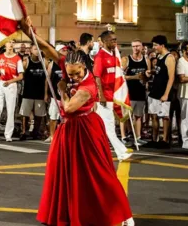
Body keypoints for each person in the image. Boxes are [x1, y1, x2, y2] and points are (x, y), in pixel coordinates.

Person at [18, 18, 134, 226]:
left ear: (84, 66)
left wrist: (62, 88)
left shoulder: (87, 87)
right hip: (69, 130)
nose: (73, 77)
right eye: (69, 74)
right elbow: (47, 49)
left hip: (87, 129)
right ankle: (67, 213)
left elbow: (69, 107)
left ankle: (122, 213)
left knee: (98, 173)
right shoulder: (68, 63)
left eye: (76, 73)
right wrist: (29, 33)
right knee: (64, 174)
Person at [94, 31, 131, 161]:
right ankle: (121, 152)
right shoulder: (100, 57)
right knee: (109, 127)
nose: (115, 42)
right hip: (105, 97)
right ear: (104, 42)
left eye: (115, 40)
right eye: (112, 40)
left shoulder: (115, 56)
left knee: (103, 128)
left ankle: (95, 151)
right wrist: (101, 95)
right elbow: (97, 77)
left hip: (113, 96)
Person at [146, 35, 175, 148]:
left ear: (162, 45)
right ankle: (154, 138)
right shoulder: (159, 56)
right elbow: (159, 72)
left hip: (163, 91)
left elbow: (171, 77)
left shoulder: (169, 58)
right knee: (154, 115)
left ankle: (164, 140)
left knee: (165, 116)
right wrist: (151, 72)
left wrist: (166, 94)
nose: (154, 47)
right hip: (155, 90)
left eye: (155, 45)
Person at [122, 39, 150, 146]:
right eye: (133, 46)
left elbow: (147, 75)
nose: (136, 48)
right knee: (126, 116)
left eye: (138, 46)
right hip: (129, 91)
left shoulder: (146, 60)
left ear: (142, 47)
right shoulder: (126, 59)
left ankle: (138, 137)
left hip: (140, 91)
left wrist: (146, 77)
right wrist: (135, 76)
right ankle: (124, 137)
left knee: (138, 116)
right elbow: (121, 76)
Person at [19, 44, 47, 140]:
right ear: (30, 50)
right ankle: (23, 131)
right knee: (25, 114)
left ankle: (36, 131)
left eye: (38, 49)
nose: (37, 51)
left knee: (39, 114)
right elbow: (20, 75)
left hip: (40, 92)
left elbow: (47, 79)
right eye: (35, 49)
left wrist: (46, 93)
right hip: (28, 92)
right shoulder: (26, 61)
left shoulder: (44, 62)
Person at [44, 45, 67, 143]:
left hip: (65, 96)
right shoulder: (52, 64)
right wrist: (46, 93)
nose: (65, 51)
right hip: (55, 95)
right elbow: (47, 80)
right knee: (53, 116)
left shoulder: (67, 63)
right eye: (63, 50)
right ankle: (52, 135)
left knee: (65, 118)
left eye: (66, 50)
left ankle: (64, 135)